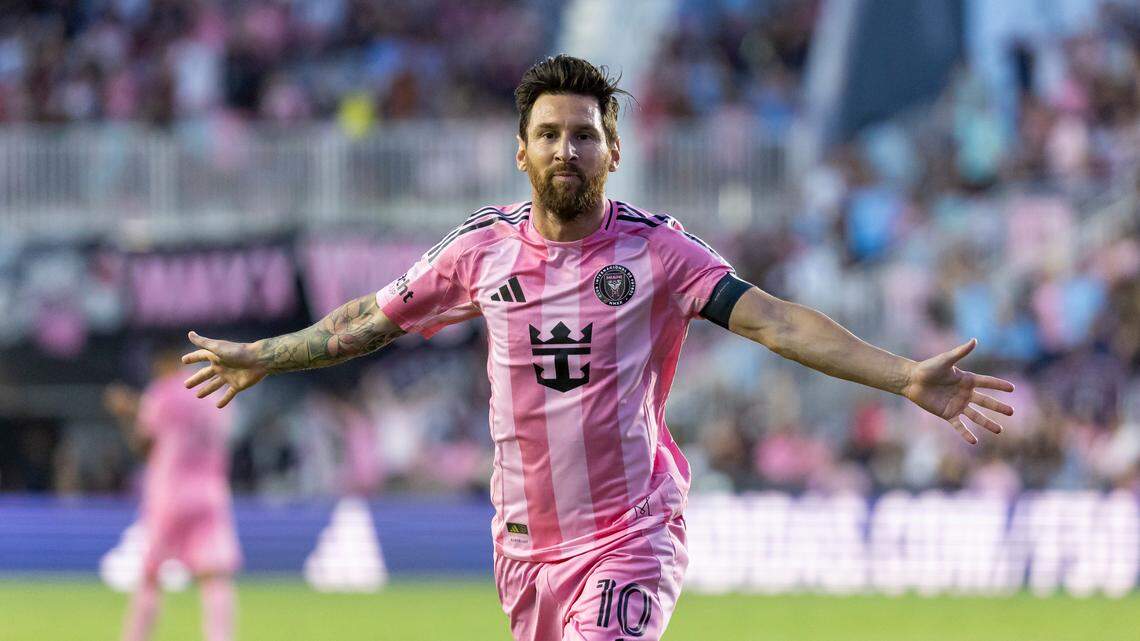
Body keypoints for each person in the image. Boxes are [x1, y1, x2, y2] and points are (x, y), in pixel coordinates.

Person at [181, 55, 1015, 641]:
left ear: (613, 151)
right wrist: (266, 354)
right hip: (524, 548)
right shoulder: (479, 253)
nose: (565, 150)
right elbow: (365, 320)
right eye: (548, 134)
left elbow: (775, 320)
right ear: (521, 151)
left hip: (631, 531)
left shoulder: (659, 252)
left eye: (584, 135)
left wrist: (904, 373)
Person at [108, 349, 240, 641]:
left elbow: (145, 445)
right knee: (214, 577)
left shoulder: (163, 393)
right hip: (210, 492)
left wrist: (126, 413)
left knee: (151, 575)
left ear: (164, 362)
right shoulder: (216, 392)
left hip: (169, 494)